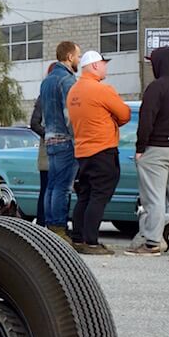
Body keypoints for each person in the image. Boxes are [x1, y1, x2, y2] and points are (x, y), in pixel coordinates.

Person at [66, 50, 131, 255]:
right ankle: (91, 242)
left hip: (82, 152)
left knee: (84, 195)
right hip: (103, 150)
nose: (106, 67)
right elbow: (125, 114)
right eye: (104, 64)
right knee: (99, 196)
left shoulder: (74, 91)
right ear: (94, 65)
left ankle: (77, 237)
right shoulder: (102, 90)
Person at [127, 46, 169, 256]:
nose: (151, 66)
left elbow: (146, 119)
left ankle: (152, 243)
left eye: (152, 62)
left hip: (158, 148)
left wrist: (140, 147)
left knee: (154, 198)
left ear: (160, 63)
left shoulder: (157, 87)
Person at [39, 42, 81, 242]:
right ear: (70, 56)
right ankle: (59, 230)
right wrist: (78, 137)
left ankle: (50, 226)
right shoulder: (67, 79)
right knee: (63, 187)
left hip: (50, 139)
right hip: (65, 140)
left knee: (52, 185)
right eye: (78, 56)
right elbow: (70, 114)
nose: (79, 60)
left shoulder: (47, 81)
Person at [28, 63, 57, 227]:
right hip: (48, 152)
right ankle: (41, 224)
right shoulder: (43, 97)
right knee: (46, 189)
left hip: (64, 152)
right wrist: (49, 135)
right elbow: (34, 123)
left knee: (59, 191)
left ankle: (56, 224)